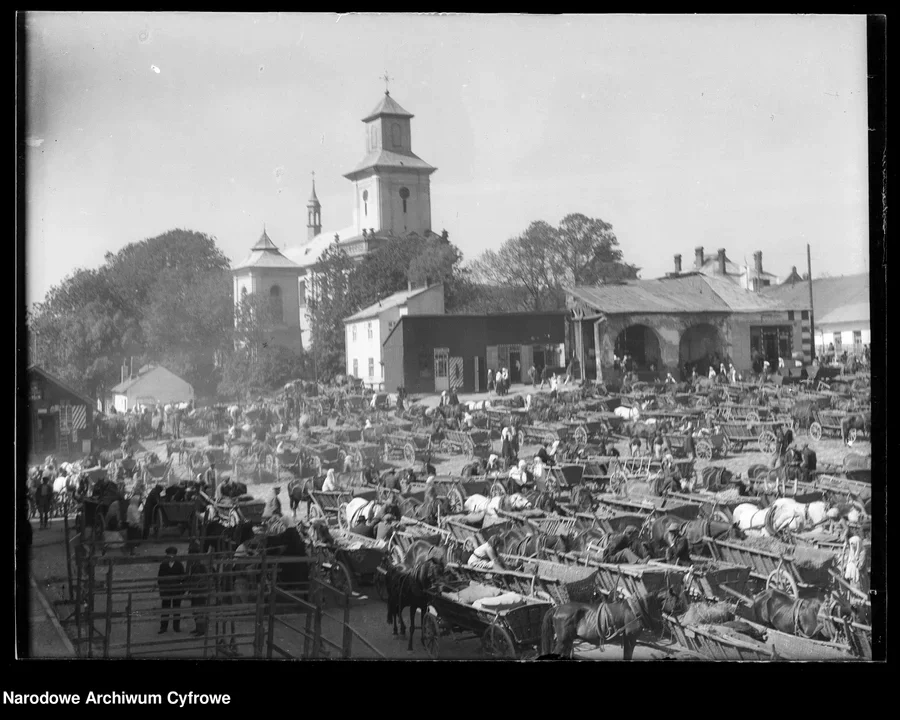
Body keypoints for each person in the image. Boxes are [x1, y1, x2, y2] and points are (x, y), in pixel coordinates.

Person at [157, 546, 186, 634]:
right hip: (166, 591)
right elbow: (160, 578)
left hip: (176, 591)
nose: (171, 557)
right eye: (169, 555)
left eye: (172, 555)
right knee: (165, 609)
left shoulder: (179, 565)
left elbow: (183, 578)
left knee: (176, 610)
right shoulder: (163, 564)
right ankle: (163, 627)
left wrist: (182, 589)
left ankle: (176, 627)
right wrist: (162, 590)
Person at [186, 541, 209, 637]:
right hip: (195, 590)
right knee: (195, 610)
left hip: (199, 591)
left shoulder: (200, 564)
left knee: (199, 610)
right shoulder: (194, 563)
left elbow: (200, 578)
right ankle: (198, 628)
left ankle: (201, 630)